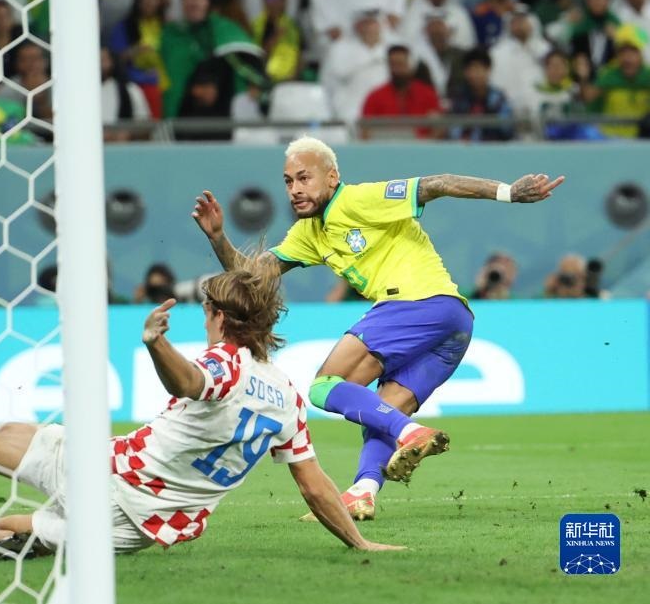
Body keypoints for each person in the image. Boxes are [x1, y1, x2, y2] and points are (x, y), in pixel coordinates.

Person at [0, 260, 404, 558]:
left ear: (218, 317)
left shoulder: (223, 364)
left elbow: (191, 381)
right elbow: (314, 486)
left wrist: (156, 344)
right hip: (139, 531)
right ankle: (17, 544)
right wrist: (360, 543)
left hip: (104, 476)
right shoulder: (287, 398)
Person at [191, 136, 564, 520]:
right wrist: (218, 238)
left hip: (417, 303)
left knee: (324, 387)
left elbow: (438, 183)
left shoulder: (358, 200)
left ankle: (410, 433)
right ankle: (364, 491)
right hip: (454, 323)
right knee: (381, 410)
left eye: (304, 178)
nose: (295, 189)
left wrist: (508, 192)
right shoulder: (309, 233)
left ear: (331, 177)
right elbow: (251, 277)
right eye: (288, 181)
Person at [361, 45, 442, 139]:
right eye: (393, 65)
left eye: (401, 64)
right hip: (384, 146)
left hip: (422, 146)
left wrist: (425, 143)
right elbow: (365, 132)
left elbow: (439, 128)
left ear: (410, 65)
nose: (396, 70)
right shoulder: (375, 97)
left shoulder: (427, 94)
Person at [448, 47, 515, 141]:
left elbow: (507, 129)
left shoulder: (498, 98)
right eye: (471, 69)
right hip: (465, 147)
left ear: (488, 70)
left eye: (479, 69)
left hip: (494, 146)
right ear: (465, 72)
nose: (475, 74)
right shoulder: (458, 98)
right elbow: (453, 130)